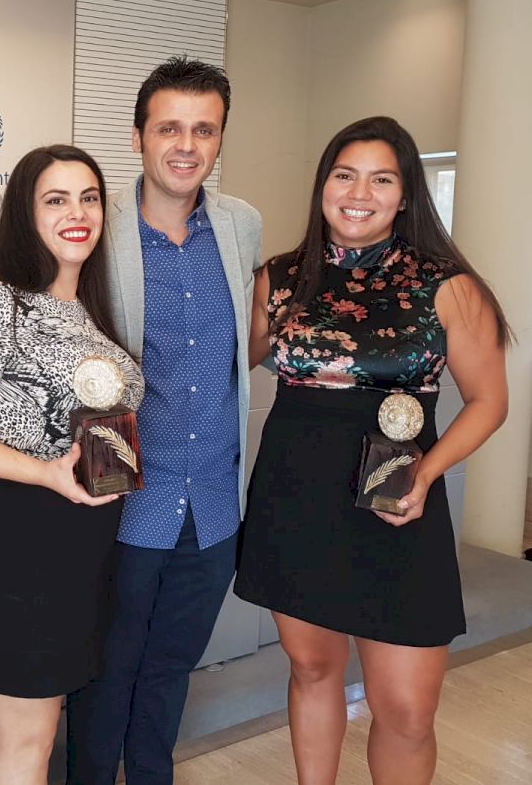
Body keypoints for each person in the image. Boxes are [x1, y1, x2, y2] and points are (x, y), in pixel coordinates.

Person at [235, 116, 510, 784]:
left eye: (381, 180)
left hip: (395, 503)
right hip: (295, 499)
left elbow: (489, 402)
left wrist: (427, 474)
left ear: (406, 193)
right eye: (345, 175)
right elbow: (226, 365)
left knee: (407, 710)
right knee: (312, 669)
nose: (359, 193)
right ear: (323, 185)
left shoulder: (446, 285)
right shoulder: (281, 278)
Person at [0, 144, 144, 784]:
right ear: (25, 212)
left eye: (89, 198)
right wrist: (46, 472)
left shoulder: (90, 309)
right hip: (17, 539)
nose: (78, 213)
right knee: (27, 740)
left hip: (84, 543)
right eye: (56, 199)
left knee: (31, 737)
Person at [66, 57, 262, 785]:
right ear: (137, 137)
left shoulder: (241, 226)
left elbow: (243, 346)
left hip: (211, 502)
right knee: (103, 671)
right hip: (121, 497)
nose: (186, 145)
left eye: (203, 130)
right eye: (169, 128)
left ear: (220, 139)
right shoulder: (98, 227)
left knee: (171, 669)